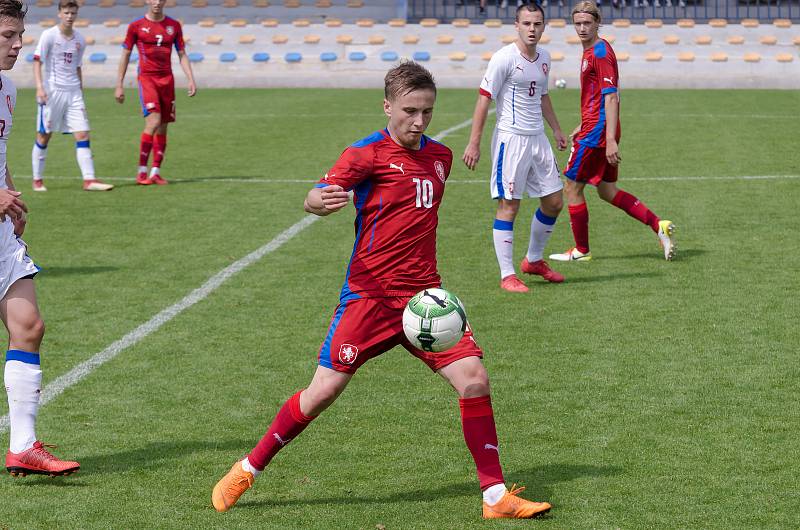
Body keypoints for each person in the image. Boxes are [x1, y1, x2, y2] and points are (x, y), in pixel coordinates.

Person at [211, 62, 552, 520]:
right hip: (369, 297)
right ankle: (248, 468)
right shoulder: (364, 155)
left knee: (474, 380)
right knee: (322, 392)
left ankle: (495, 497)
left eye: (427, 112)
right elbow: (318, 192)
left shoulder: (441, 157)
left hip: (424, 302)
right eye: (409, 110)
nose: (418, 121)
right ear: (387, 106)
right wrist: (318, 202)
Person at [0, 0, 80, 478]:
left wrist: (9, 196)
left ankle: (23, 446)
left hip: (1, 232)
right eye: (8, 33)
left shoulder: (7, 88)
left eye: (20, 33)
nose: (18, 43)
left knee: (28, 326)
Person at [551, 1, 675, 262]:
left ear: (598, 23)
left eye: (587, 23)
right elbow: (597, 97)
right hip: (596, 127)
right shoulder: (591, 51)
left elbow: (611, 96)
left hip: (599, 132)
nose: (582, 28)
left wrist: (607, 139)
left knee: (572, 188)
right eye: (578, 23)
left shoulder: (599, 52)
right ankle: (658, 225)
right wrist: (583, 123)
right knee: (607, 191)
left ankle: (581, 251)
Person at [462, 3, 567, 293]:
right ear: (517, 25)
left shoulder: (544, 57)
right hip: (512, 139)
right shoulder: (503, 58)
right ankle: (507, 274)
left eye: (537, 24)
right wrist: (474, 142)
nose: (532, 29)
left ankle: (533, 261)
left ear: (544, 26)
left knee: (555, 201)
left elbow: (543, 95)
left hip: (538, 138)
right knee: (510, 204)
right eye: (527, 24)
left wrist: (556, 129)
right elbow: (484, 99)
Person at [31, 0, 113, 192]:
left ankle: (89, 180)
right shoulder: (49, 35)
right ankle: (37, 180)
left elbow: (77, 66)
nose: (69, 16)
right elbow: (37, 62)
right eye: (66, 12)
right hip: (53, 92)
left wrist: (81, 90)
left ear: (77, 14)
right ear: (60, 13)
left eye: (73, 13)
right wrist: (39, 87)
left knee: (83, 133)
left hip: (74, 92)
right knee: (44, 136)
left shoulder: (80, 40)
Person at [114, 0, 196, 185]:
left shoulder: (173, 26)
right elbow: (125, 54)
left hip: (167, 80)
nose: (157, 2)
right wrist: (119, 84)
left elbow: (182, 53)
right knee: (154, 121)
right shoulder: (136, 26)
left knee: (163, 125)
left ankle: (155, 172)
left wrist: (190, 78)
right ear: (147, 1)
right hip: (147, 79)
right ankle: (141, 172)